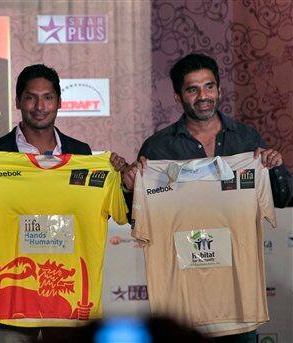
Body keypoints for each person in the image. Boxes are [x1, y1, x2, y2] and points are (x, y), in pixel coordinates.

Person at [122, 53, 292, 341]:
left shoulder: (246, 141)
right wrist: (130, 186)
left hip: (239, 306)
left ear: (219, 90)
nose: (203, 96)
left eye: (209, 86)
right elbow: (134, 216)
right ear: (178, 97)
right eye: (192, 89)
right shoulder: (159, 148)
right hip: (183, 314)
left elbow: (284, 198)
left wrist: (274, 168)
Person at [0, 64, 126, 342]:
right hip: (12, 302)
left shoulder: (83, 155)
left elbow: (112, 210)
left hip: (68, 295)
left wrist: (119, 176)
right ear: (18, 101)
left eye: (48, 97)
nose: (39, 106)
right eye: (31, 97)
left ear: (59, 102)